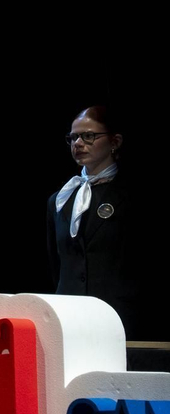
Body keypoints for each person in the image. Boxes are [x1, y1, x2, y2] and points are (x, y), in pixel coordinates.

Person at [47, 105, 152, 342]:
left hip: (119, 319)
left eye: (89, 136)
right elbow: (57, 263)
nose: (78, 143)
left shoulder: (133, 195)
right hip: (70, 319)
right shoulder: (61, 199)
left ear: (114, 141)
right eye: (73, 137)